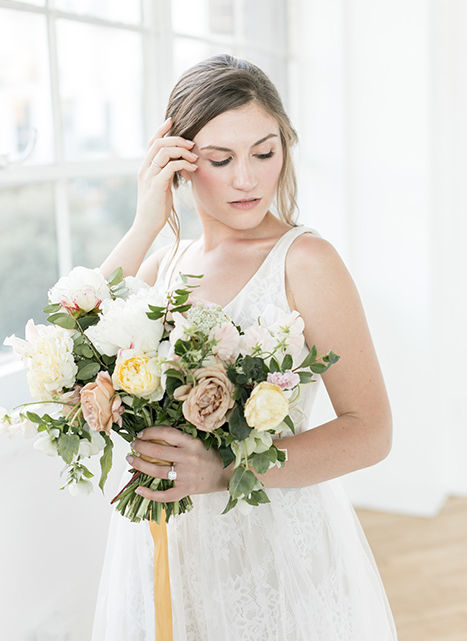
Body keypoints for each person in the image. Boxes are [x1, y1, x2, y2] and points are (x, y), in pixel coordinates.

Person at [92, 54, 397, 640]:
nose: (247, 179)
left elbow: (371, 430)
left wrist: (223, 470)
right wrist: (143, 224)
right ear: (178, 163)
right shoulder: (164, 263)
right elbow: (74, 348)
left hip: (266, 541)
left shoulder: (306, 263)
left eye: (264, 152)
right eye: (220, 159)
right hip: (164, 544)